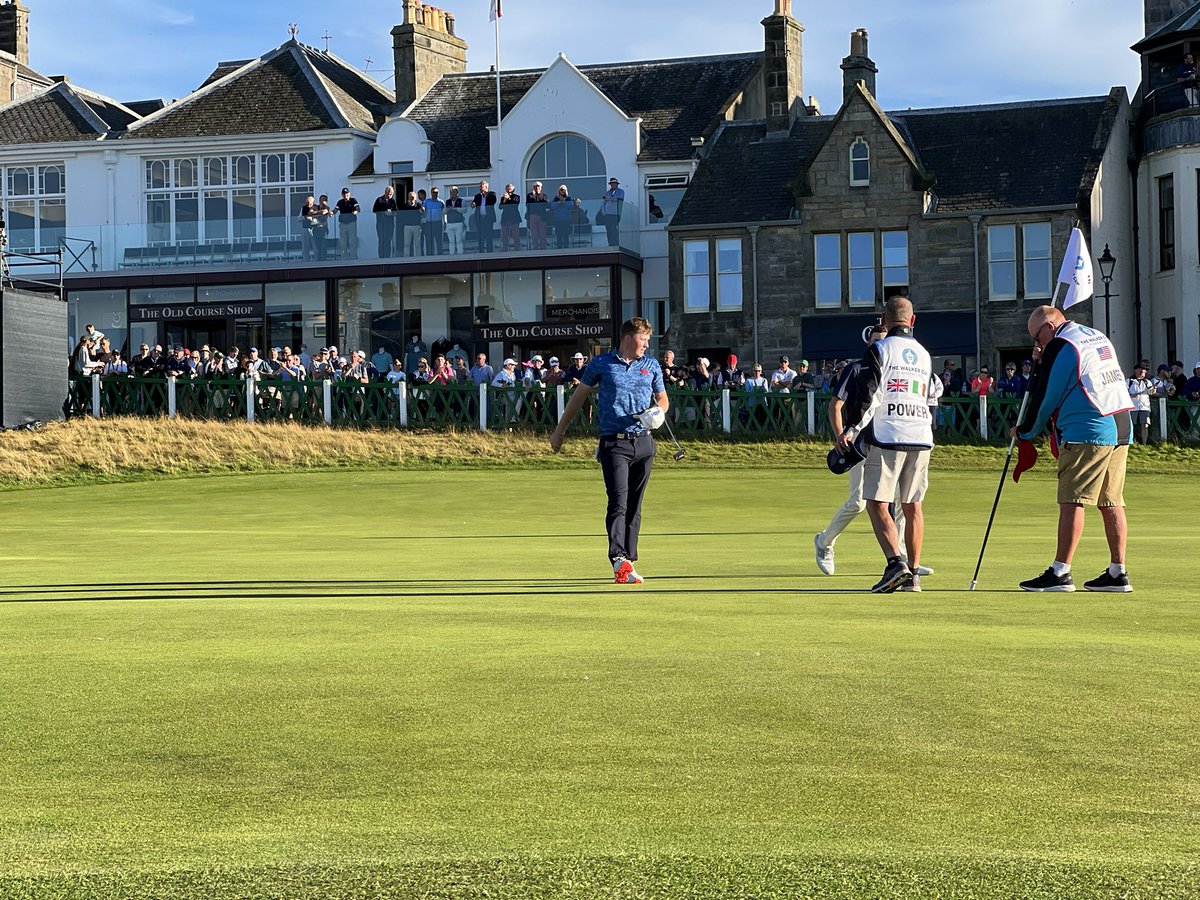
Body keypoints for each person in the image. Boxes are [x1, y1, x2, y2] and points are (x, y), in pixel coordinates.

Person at [1014, 305, 1134, 593]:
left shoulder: (1062, 344)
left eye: (1036, 338)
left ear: (1048, 328)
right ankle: (1118, 572)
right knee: (1111, 501)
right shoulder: (1095, 335)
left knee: (1072, 500)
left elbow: (1048, 396)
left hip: (1087, 429)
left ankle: (1060, 572)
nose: (1038, 345)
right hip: (1120, 425)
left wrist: (1025, 431)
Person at [549, 317, 668, 584]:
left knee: (635, 506)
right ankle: (618, 559)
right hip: (614, 443)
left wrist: (658, 413)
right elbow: (579, 397)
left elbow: (663, 398)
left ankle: (630, 561)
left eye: (648, 340)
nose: (646, 345)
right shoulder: (602, 364)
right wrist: (560, 431)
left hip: (644, 442)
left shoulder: (650, 365)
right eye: (643, 339)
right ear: (628, 338)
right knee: (618, 501)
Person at [815, 324, 934, 583]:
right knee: (859, 501)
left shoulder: (900, 364)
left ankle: (902, 558)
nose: (880, 342)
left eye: (883, 338)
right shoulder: (857, 368)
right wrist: (841, 435)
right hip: (860, 443)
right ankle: (825, 541)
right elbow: (836, 405)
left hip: (892, 440)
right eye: (876, 340)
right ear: (869, 343)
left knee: (904, 502)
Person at [1128, 363, 1153, 445]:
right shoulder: (1129, 381)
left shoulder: (1147, 382)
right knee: (1131, 425)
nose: (1143, 373)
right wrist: (1131, 395)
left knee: (1145, 425)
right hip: (1132, 407)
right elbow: (1123, 393)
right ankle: (1131, 442)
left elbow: (1151, 392)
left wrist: (1153, 389)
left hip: (1144, 406)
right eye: (1141, 371)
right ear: (1136, 371)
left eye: (1144, 372)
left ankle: (1144, 443)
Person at [471, 181, 497, 252]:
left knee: (489, 236)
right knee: (480, 236)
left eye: (481, 187)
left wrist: (485, 195)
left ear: (486, 187)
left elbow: (493, 202)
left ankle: (489, 251)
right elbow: (473, 205)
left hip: (488, 219)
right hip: (480, 219)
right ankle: (481, 251)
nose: (480, 188)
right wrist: (473, 204)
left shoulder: (492, 194)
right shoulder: (477, 196)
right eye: (479, 187)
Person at [372, 185, 397, 257]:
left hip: (389, 224)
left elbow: (396, 212)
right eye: (388, 194)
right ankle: (381, 257)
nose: (390, 195)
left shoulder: (392, 201)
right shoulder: (379, 199)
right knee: (381, 240)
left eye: (391, 194)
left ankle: (387, 256)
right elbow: (374, 210)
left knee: (388, 240)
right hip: (381, 223)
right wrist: (383, 212)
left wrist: (391, 214)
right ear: (385, 192)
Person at [335, 188, 360, 259]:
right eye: (344, 194)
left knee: (352, 242)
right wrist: (331, 213)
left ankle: (353, 257)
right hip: (343, 224)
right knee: (343, 243)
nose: (345, 195)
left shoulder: (353, 200)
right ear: (342, 195)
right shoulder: (340, 202)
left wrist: (356, 211)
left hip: (351, 224)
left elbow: (358, 208)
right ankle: (344, 258)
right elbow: (335, 209)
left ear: (349, 194)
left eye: (347, 194)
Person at [599, 177, 624, 246]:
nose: (613, 185)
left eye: (614, 184)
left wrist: (610, 198)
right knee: (608, 229)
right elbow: (603, 202)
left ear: (617, 184)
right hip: (608, 214)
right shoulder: (607, 192)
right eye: (612, 184)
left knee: (614, 228)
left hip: (616, 213)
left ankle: (616, 243)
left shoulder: (621, 191)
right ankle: (610, 243)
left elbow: (620, 198)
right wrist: (603, 211)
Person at [526, 181, 549, 250]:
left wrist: (539, 196)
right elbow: (527, 204)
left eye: (538, 186)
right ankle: (535, 248)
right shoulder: (529, 195)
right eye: (535, 186)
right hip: (533, 215)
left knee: (542, 233)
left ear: (541, 187)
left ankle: (543, 248)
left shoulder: (544, 195)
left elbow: (547, 205)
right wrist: (533, 196)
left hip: (542, 216)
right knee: (534, 233)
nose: (537, 188)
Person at [499, 183, 522, 252]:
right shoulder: (503, 197)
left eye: (510, 188)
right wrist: (505, 199)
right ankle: (505, 249)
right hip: (505, 217)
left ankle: (517, 249)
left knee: (516, 235)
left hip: (514, 217)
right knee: (505, 235)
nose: (508, 190)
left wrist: (508, 198)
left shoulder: (516, 196)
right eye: (507, 188)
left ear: (513, 189)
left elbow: (515, 205)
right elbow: (500, 207)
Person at [398, 191, 422, 257]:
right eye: (410, 197)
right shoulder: (405, 206)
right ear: (408, 197)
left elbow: (423, 213)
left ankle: (418, 257)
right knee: (406, 243)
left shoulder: (418, 205)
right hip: (407, 226)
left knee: (417, 243)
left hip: (416, 225)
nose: (411, 199)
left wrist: (422, 210)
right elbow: (401, 215)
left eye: (413, 197)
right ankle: (406, 257)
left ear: (415, 198)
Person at [423, 186, 445, 256]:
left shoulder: (441, 202)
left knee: (439, 240)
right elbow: (423, 208)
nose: (435, 194)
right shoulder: (427, 201)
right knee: (429, 240)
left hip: (438, 223)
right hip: (429, 223)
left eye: (437, 192)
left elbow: (444, 212)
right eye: (434, 192)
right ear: (431, 193)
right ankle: (430, 255)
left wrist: (445, 222)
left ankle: (440, 254)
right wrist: (422, 209)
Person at [444, 186, 466, 254]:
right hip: (449, 223)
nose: (453, 194)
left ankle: (460, 254)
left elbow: (464, 210)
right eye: (451, 192)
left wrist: (455, 208)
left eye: (454, 192)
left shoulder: (462, 201)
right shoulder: (447, 201)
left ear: (457, 193)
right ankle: (452, 254)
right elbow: (444, 212)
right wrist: (447, 209)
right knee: (451, 241)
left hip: (459, 222)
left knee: (459, 240)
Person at [550, 185, 573, 249]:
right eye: (561, 189)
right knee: (559, 234)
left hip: (566, 219)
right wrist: (559, 202)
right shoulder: (556, 198)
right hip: (558, 219)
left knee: (566, 234)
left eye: (564, 190)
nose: (562, 191)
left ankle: (566, 247)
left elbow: (571, 206)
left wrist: (564, 201)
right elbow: (552, 206)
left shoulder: (568, 198)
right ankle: (559, 247)